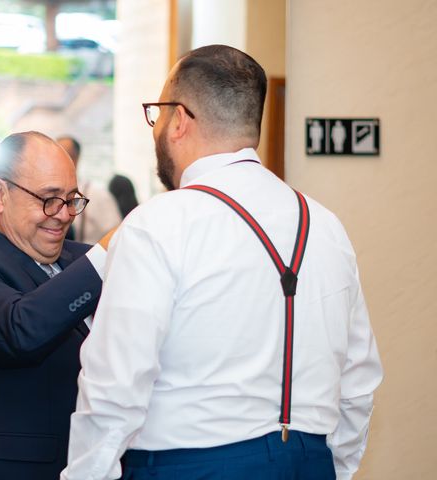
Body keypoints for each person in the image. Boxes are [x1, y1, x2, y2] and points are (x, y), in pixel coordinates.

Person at [62, 45, 383, 480]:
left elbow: (113, 391)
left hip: (187, 467)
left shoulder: (157, 224)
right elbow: (359, 382)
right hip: (310, 462)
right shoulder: (326, 226)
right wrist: (332, 468)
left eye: (157, 115)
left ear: (178, 120)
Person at [0, 131, 108, 480]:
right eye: (49, 199)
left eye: (72, 199)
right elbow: (17, 330)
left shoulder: (81, 259)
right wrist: (106, 257)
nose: (63, 214)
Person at [57, 136, 121, 243]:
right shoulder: (44, 194)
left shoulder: (97, 195)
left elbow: (116, 236)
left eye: (60, 156)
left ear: (75, 159)